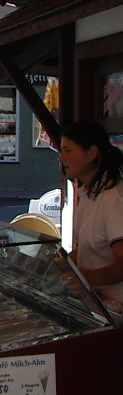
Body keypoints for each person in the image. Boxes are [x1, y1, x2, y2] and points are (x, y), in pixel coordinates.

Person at [58, 120, 123, 313]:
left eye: (68, 151)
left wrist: (86, 278)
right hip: (96, 301)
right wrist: (52, 266)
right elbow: (88, 249)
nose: (61, 158)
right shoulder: (88, 193)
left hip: (116, 306)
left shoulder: (112, 198)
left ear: (92, 153)